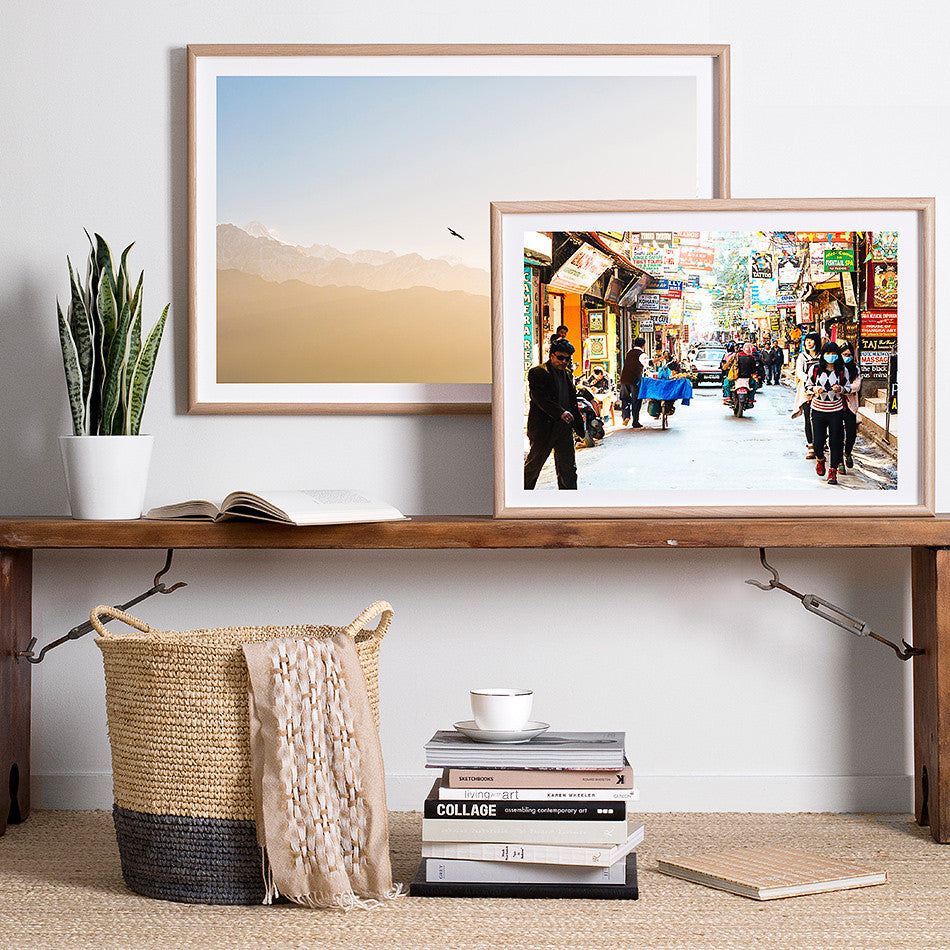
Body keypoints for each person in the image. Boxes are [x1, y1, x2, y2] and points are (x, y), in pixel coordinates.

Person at [524, 338, 581, 490]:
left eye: (567, 359)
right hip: (544, 428)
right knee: (533, 467)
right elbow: (540, 399)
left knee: (568, 470)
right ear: (552, 355)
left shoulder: (568, 373)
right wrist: (560, 412)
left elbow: (571, 399)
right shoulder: (538, 372)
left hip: (564, 428)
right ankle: (519, 499)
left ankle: (568, 504)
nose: (564, 362)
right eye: (560, 357)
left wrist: (578, 426)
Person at [808, 340, 847, 485]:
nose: (831, 356)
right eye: (828, 353)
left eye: (834, 353)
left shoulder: (842, 370)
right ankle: (820, 459)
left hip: (836, 411)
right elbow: (808, 385)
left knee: (835, 442)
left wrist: (841, 389)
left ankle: (833, 472)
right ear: (823, 354)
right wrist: (814, 389)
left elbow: (848, 387)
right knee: (818, 443)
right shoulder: (815, 369)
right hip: (818, 410)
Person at [792, 332, 822, 458]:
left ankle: (820, 443)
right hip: (806, 391)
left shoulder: (823, 356)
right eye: (807, 340)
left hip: (821, 391)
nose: (808, 342)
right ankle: (811, 446)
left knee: (820, 419)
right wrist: (812, 381)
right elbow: (800, 373)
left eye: (811, 340)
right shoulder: (802, 357)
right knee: (808, 419)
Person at [837, 340, 862, 473]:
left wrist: (843, 389)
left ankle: (848, 453)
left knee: (851, 433)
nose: (847, 357)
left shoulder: (855, 368)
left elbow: (856, 386)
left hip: (850, 405)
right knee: (837, 434)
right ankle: (839, 461)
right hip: (836, 404)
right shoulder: (835, 368)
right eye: (844, 354)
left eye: (849, 354)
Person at [618, 336, 648, 428]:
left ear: (634, 344)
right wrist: (660, 358)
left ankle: (626, 416)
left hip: (624, 378)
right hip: (634, 380)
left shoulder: (629, 352)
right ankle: (635, 422)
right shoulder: (642, 354)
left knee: (625, 399)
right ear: (643, 345)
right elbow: (648, 363)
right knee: (636, 400)